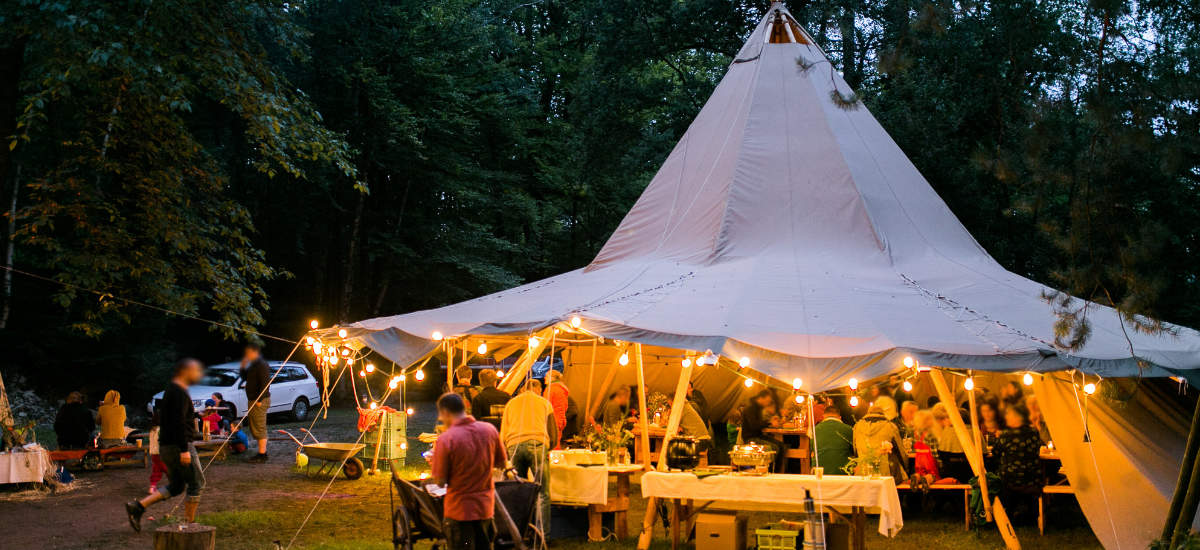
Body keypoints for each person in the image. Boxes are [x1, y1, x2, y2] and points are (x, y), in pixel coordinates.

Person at [125, 358, 207, 531]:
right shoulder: (178, 392)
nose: (198, 374)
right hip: (179, 446)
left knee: (177, 486)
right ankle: (189, 525)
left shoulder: (171, 390)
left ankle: (138, 506)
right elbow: (178, 422)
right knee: (196, 484)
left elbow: (173, 419)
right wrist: (184, 450)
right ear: (185, 371)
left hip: (166, 446)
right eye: (195, 370)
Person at [431, 392, 507, 550]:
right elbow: (501, 463)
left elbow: (440, 481)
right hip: (485, 507)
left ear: (445, 413)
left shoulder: (446, 439)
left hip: (459, 510)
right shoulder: (489, 430)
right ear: (464, 408)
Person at [500, 379, 557, 536]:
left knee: (518, 490)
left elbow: (504, 430)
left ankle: (518, 533)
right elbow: (553, 432)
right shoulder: (544, 403)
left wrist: (506, 448)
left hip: (514, 445)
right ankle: (542, 534)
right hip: (538, 444)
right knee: (542, 491)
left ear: (523, 390)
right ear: (537, 389)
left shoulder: (511, 404)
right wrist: (548, 447)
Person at [995, 404, 1043, 495]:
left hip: (1011, 480)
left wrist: (998, 438)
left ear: (1018, 417)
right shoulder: (1034, 432)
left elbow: (995, 452)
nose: (1006, 417)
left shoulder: (1006, 435)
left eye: (1009, 414)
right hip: (1033, 479)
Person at [852, 405, 907, 482]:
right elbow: (901, 452)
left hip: (863, 474)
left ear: (868, 413)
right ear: (882, 414)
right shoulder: (890, 426)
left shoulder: (857, 427)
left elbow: (855, 452)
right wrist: (906, 468)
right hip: (887, 475)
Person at [241, 343, 271, 463]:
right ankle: (261, 453)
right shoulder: (253, 365)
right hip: (252, 399)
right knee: (254, 426)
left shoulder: (262, 365)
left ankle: (262, 454)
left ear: (255, 352)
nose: (247, 355)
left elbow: (265, 383)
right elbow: (245, 377)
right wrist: (243, 367)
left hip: (260, 400)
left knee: (259, 426)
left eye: (248, 352)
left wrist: (259, 399)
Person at [741, 389, 785, 471]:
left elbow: (760, 423)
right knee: (774, 448)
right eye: (768, 400)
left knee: (781, 445)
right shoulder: (750, 409)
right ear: (761, 398)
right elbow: (754, 426)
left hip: (758, 436)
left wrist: (770, 421)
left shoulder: (758, 409)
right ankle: (768, 471)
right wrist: (769, 422)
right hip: (750, 438)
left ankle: (777, 472)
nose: (768, 403)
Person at [931, 403, 971, 483]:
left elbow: (940, 456)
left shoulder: (948, 433)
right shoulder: (973, 431)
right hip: (970, 472)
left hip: (948, 473)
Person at [812, 407, 854, 475]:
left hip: (820, 473)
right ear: (840, 418)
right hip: (842, 473)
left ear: (823, 417)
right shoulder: (849, 429)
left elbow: (811, 451)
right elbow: (854, 451)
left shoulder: (814, 430)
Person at [910, 409, 940, 489]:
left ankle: (916, 477)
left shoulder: (917, 434)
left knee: (920, 473)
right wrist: (939, 461)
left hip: (919, 461)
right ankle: (927, 479)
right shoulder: (931, 435)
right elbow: (935, 453)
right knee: (933, 475)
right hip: (929, 462)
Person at [543, 370, 570, 448]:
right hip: (559, 420)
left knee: (552, 445)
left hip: (552, 420)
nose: (545, 378)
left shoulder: (551, 389)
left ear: (552, 378)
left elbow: (546, 405)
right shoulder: (560, 389)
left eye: (547, 376)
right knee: (556, 442)